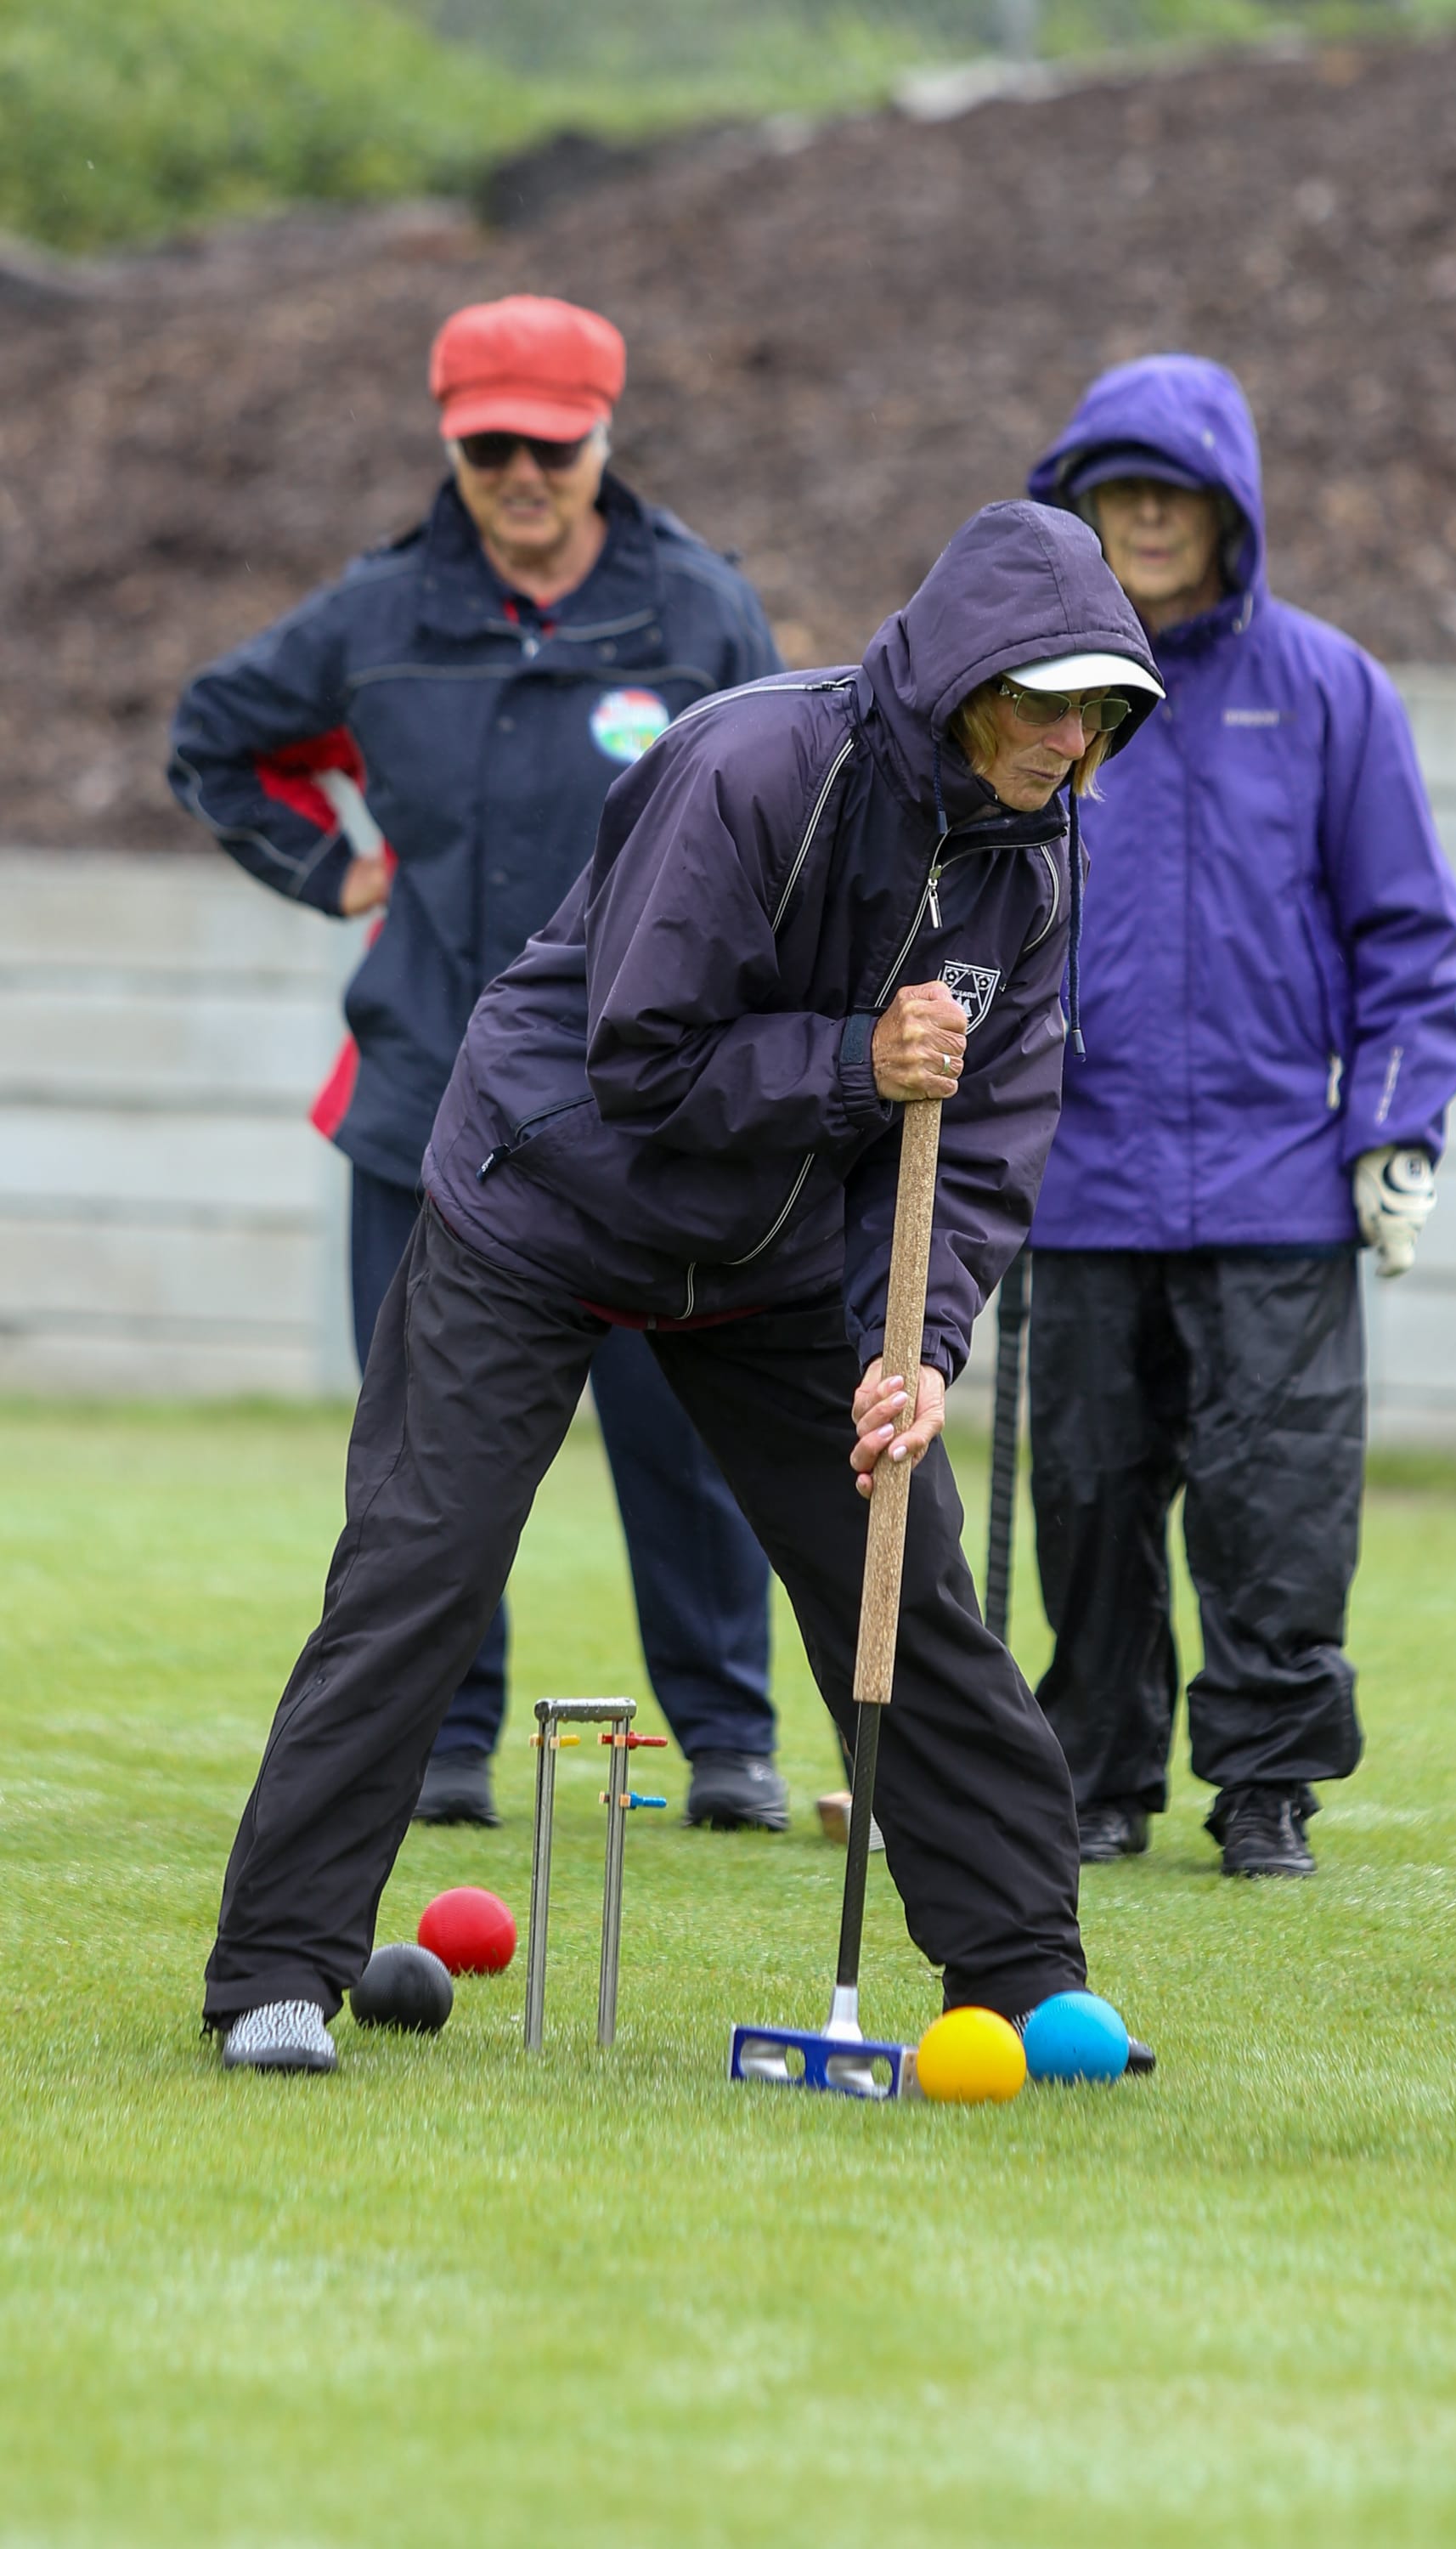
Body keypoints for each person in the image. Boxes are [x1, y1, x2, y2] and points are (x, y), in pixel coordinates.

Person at [202, 498, 1165, 2073]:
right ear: (966, 679)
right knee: (418, 1568)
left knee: (903, 1577)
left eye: (1099, 708)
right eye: (1044, 700)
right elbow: (642, 1062)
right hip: (545, 1197)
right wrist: (861, 1059)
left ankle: (1020, 1973)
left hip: (769, 1262)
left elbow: (989, 1129)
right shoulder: (756, 767)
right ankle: (275, 1978)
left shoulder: (1038, 853)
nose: (1069, 738)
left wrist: (915, 1345)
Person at [168, 295, 786, 1834]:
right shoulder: (374, 617)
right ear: (452, 443)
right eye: (490, 446)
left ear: (604, 439)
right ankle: (443, 1743)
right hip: (432, 1111)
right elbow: (214, 736)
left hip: (653, 1117)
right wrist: (338, 872)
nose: (522, 473)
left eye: (552, 445)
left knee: (688, 1438)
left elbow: (789, 808)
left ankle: (731, 1743)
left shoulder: (701, 611)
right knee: (432, 1462)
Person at [1023, 353, 1456, 1878]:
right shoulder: (1030, 701)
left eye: (1175, 490)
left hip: (1280, 1189)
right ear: (1076, 506)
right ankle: (1095, 1777)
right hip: (1075, 1186)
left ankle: (1267, 1786)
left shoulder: (1332, 690)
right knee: (1084, 1508)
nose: (1146, 516)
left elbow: (1408, 937)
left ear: (1233, 510)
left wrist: (1396, 1130)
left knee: (1278, 1510)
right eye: (1118, 488)